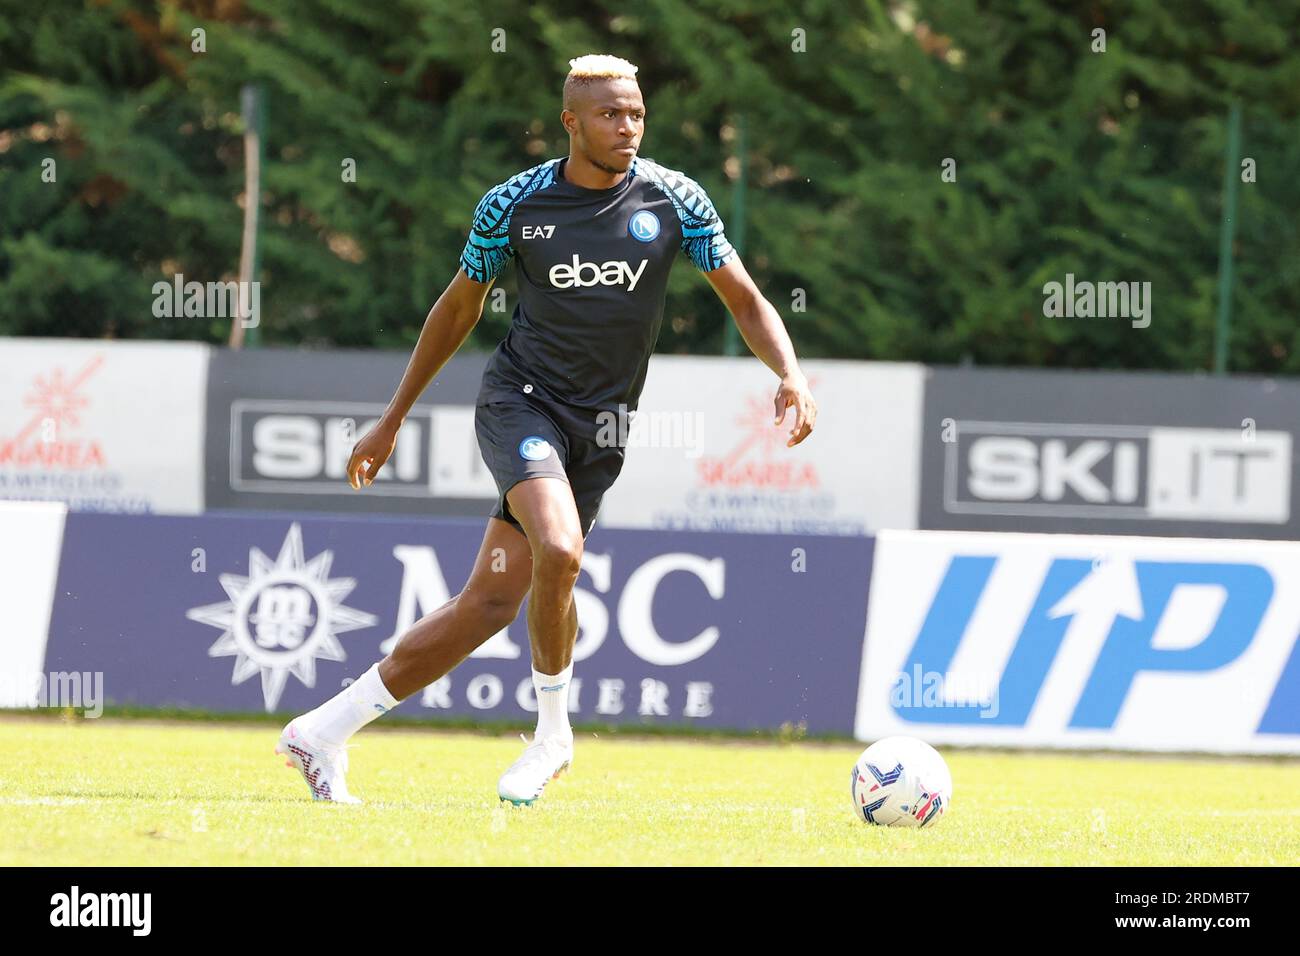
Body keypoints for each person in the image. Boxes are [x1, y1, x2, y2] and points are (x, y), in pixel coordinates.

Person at [275, 53, 817, 805]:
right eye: (609, 115)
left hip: (603, 429)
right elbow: (457, 309)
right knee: (560, 548)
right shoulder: (514, 205)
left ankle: (321, 731)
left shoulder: (677, 199)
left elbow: (747, 300)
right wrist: (392, 418)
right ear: (571, 122)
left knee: (490, 603)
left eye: (635, 113)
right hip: (520, 403)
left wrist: (787, 370)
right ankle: (553, 736)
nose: (626, 126)